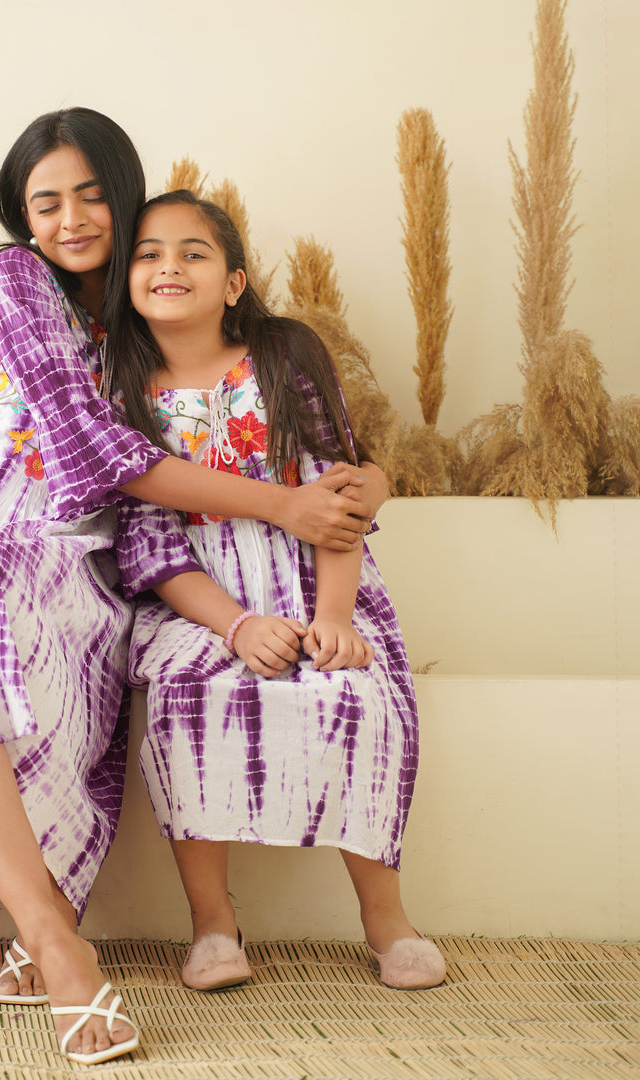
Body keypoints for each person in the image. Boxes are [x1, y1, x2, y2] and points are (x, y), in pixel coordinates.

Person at [0, 111, 389, 1066]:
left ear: (124, 188)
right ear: (21, 217)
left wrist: (364, 483)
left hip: (78, 552)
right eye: (45, 201)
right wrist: (284, 506)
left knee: (53, 638)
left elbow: (243, 430)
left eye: (90, 193)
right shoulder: (12, 281)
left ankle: (50, 923)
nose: (69, 218)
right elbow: (92, 448)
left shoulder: (147, 315)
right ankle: (59, 945)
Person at [109, 190, 446, 993]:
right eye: (149, 254)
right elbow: (146, 540)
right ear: (127, 279)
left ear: (233, 282)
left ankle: (386, 920)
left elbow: (340, 496)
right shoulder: (119, 383)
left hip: (314, 574)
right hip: (195, 598)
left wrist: (333, 617)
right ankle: (214, 925)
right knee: (186, 702)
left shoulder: (286, 354)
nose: (169, 267)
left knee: (356, 694)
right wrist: (234, 627)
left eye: (194, 253)